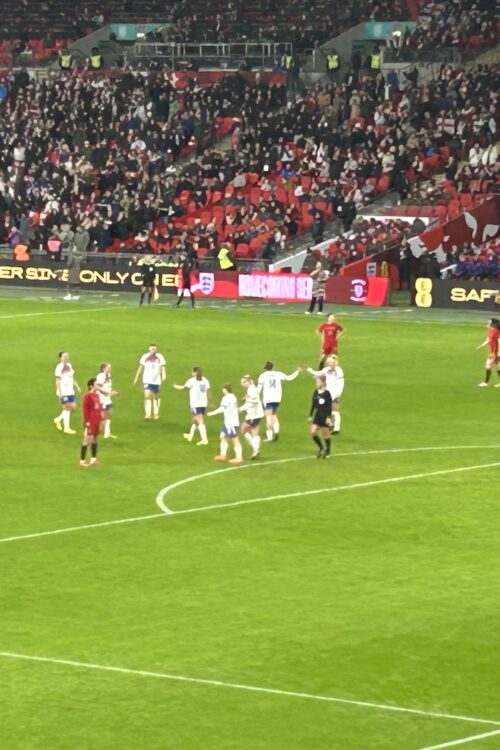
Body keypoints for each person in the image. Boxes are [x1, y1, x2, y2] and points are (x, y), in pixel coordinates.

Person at [257, 361, 301, 442]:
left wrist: (254, 397)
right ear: (273, 367)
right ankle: (276, 431)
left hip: (268, 399)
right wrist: (297, 372)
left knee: (268, 416)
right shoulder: (278, 374)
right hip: (277, 398)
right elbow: (289, 378)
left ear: (266, 368)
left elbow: (258, 390)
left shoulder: (263, 376)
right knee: (273, 414)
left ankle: (269, 437)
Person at [307, 355, 345, 433]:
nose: (330, 364)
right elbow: (318, 373)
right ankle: (331, 425)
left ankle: (333, 426)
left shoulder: (338, 370)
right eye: (329, 363)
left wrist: (338, 393)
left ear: (335, 363)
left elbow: (341, 383)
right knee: (330, 410)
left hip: (335, 393)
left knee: (331, 409)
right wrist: (309, 369)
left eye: (331, 362)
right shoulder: (327, 369)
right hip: (328, 393)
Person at [173, 366, 211, 445]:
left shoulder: (192, 381)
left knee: (199, 420)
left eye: (192, 372)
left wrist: (176, 386)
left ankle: (204, 439)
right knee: (195, 419)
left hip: (195, 404)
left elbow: (184, 388)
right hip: (203, 403)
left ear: (195, 373)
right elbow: (208, 391)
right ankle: (190, 435)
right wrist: (209, 402)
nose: (191, 373)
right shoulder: (205, 380)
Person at [207, 384, 243, 464]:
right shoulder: (233, 397)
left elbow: (222, 408)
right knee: (222, 436)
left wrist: (212, 413)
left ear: (225, 390)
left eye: (222, 389)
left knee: (235, 440)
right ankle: (223, 455)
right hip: (229, 422)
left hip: (231, 423)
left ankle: (239, 458)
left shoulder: (226, 398)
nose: (222, 391)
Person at [133, 344, 167, 419]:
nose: (153, 350)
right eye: (152, 349)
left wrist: (164, 375)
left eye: (154, 349)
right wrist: (136, 377)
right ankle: (148, 414)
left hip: (156, 380)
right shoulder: (145, 356)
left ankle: (156, 413)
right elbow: (141, 367)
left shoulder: (160, 356)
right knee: (147, 395)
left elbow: (162, 366)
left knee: (156, 397)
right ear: (149, 349)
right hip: (147, 379)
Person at [54, 352, 81, 434]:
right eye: (64, 356)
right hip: (63, 392)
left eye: (67, 356)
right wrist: (60, 392)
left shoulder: (69, 366)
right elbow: (57, 380)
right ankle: (66, 428)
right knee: (67, 408)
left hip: (70, 391)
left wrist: (77, 386)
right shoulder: (59, 367)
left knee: (73, 407)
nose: (66, 357)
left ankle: (58, 419)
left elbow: (71, 377)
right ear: (60, 358)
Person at [239, 375, 264, 459]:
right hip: (255, 414)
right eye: (242, 382)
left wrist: (241, 409)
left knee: (244, 429)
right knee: (254, 431)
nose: (242, 384)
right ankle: (256, 450)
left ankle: (256, 449)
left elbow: (254, 401)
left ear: (249, 381)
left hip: (254, 415)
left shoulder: (251, 390)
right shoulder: (251, 388)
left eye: (244, 382)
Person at [308, 375, 333, 458]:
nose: (317, 383)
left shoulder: (327, 393)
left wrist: (328, 417)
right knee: (312, 432)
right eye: (316, 381)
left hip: (324, 416)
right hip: (317, 416)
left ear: (323, 382)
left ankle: (328, 451)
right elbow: (313, 404)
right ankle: (321, 448)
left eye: (318, 381)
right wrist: (310, 415)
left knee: (326, 435)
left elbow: (329, 406)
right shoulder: (315, 392)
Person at [80, 378, 102, 467]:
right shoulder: (87, 396)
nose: (98, 386)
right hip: (90, 421)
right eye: (96, 384)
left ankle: (93, 459)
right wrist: (87, 421)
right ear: (91, 386)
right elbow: (85, 409)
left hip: (97, 420)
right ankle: (82, 461)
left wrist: (100, 420)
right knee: (87, 439)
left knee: (95, 439)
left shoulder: (96, 395)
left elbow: (97, 408)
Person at [95, 363, 119, 439]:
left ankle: (107, 433)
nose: (110, 369)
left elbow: (108, 387)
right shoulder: (101, 376)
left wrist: (112, 392)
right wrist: (109, 393)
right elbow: (98, 387)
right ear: (104, 369)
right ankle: (99, 430)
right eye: (108, 368)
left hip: (107, 398)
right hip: (101, 398)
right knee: (104, 416)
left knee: (108, 414)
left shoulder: (108, 376)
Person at [477, 318, 500, 387]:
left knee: (489, 365)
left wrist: (499, 352)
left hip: (495, 352)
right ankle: (486, 382)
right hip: (492, 352)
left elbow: (499, 341)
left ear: (493, 324)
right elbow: (488, 339)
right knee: (496, 367)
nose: (487, 323)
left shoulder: (496, 331)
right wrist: (481, 346)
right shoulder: (490, 330)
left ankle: (486, 382)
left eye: (489, 322)